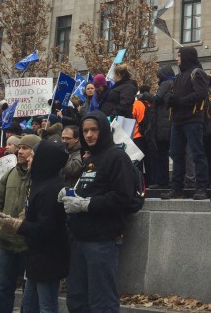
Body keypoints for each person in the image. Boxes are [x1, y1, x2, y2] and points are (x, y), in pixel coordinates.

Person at [59, 110, 136, 313]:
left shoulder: (117, 157)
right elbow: (89, 188)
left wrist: (87, 204)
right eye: (85, 131)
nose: (89, 135)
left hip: (102, 240)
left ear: (103, 131)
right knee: (76, 299)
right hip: (79, 239)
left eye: (94, 130)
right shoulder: (90, 158)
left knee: (102, 301)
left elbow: (122, 197)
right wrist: (71, 193)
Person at [0, 140, 70, 313]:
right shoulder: (41, 182)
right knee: (29, 304)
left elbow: (45, 229)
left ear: (45, 160)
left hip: (48, 257)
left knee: (46, 305)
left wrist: (17, 225)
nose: (29, 158)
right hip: (36, 255)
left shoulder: (51, 188)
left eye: (34, 156)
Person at [0, 133, 41, 313]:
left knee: (29, 293)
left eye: (25, 148)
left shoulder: (41, 177)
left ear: (35, 152)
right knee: (3, 289)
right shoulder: (9, 173)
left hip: (28, 245)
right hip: (6, 243)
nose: (19, 151)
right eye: (19, 147)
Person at [162, 47, 211, 200]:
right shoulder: (178, 77)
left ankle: (201, 187)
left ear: (186, 57)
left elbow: (201, 94)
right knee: (176, 155)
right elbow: (173, 95)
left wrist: (180, 101)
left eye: (179, 56)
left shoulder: (197, 73)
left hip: (193, 119)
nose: (177, 59)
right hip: (177, 121)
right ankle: (176, 188)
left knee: (197, 153)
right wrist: (169, 98)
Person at [148, 65, 174, 189]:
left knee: (161, 154)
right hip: (167, 124)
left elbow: (157, 98)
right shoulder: (173, 82)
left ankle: (162, 181)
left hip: (163, 126)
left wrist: (146, 95)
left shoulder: (166, 83)